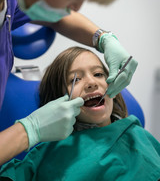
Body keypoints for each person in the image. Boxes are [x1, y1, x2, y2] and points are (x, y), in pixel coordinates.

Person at [0, 0, 138, 164]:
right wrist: (28, 132)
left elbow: (57, 14)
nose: (76, 7)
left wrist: (102, 38)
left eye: (99, 73)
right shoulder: (44, 160)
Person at [0, 46, 159, 180]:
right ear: (57, 99)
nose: (91, 82)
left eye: (98, 74)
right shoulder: (46, 155)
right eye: (75, 80)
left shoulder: (137, 134)